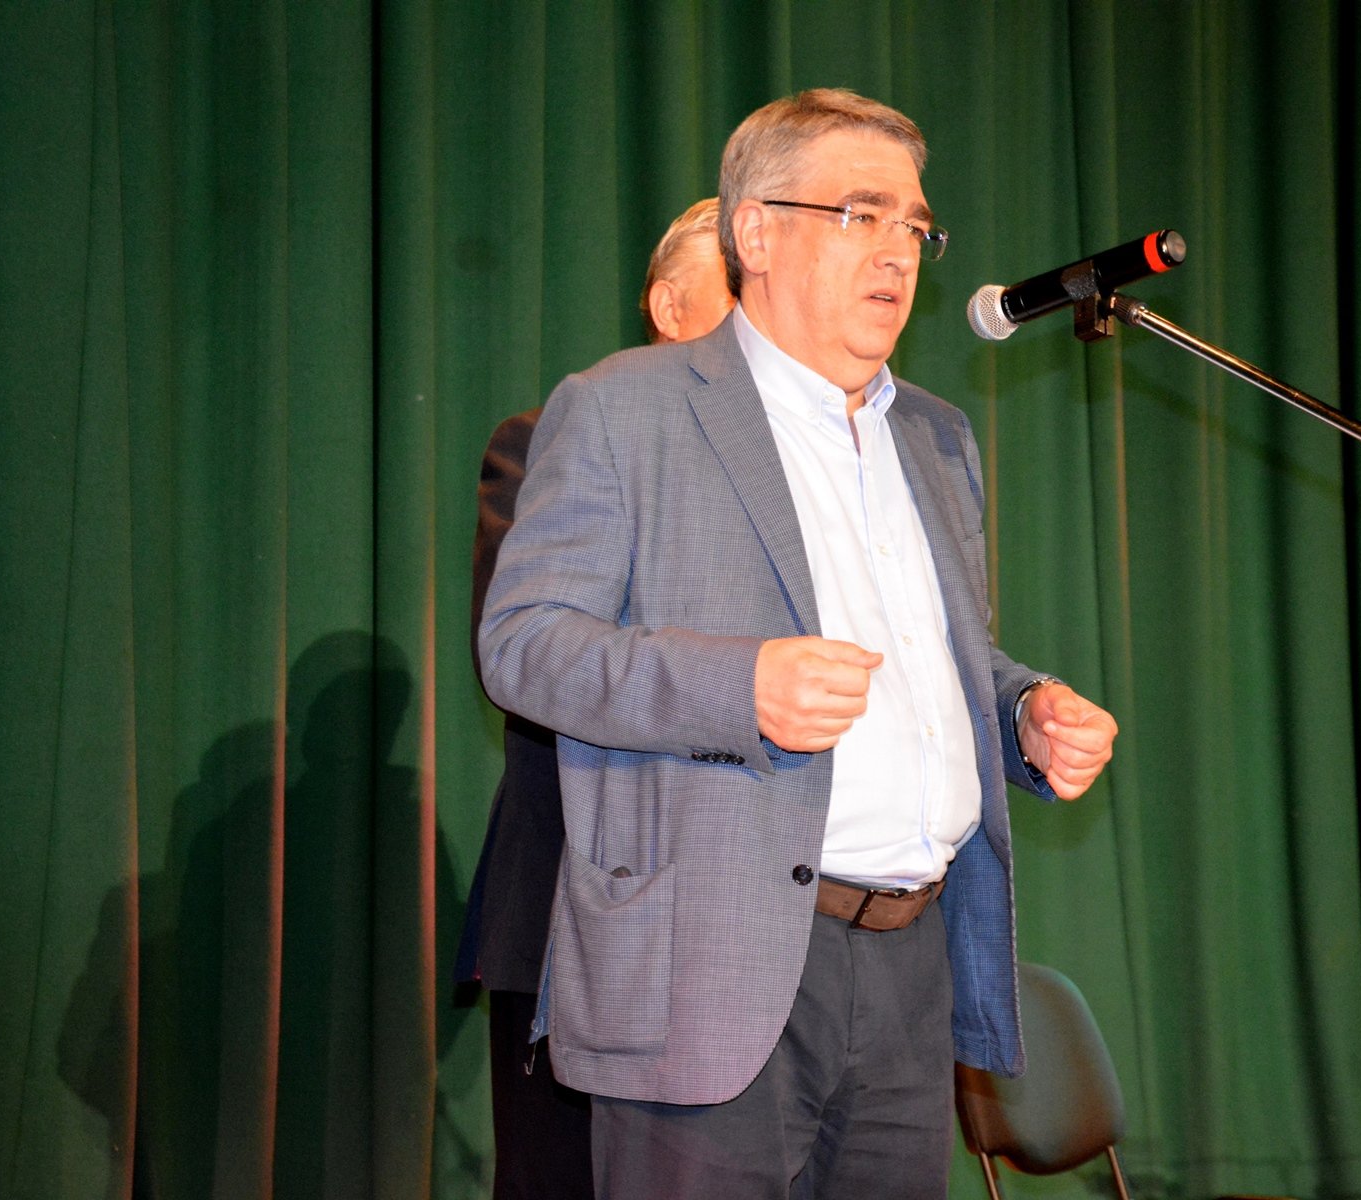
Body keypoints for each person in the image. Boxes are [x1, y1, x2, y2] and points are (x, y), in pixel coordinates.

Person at [478, 89, 1118, 1199]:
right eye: (861, 215)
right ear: (757, 232)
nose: (899, 252)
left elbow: (944, 659)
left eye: (914, 224)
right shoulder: (624, 410)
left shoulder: (935, 434)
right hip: (711, 960)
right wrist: (742, 687)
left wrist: (1021, 711)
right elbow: (525, 644)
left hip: (910, 963)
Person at [455, 197, 735, 1200]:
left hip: (753, 929)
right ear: (668, 306)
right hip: (579, 915)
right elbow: (534, 660)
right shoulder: (551, 441)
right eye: (739, 292)